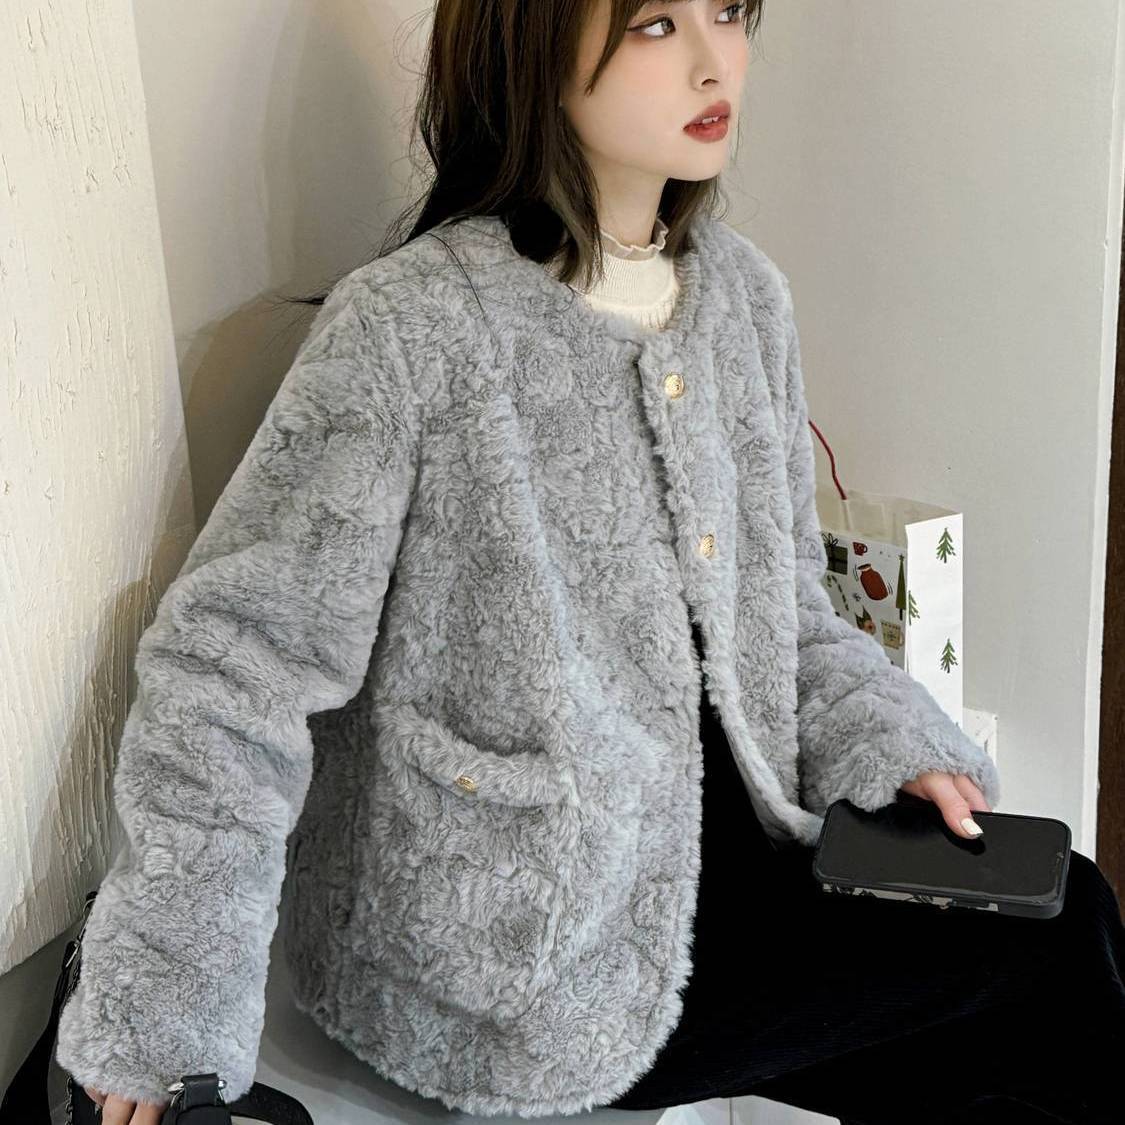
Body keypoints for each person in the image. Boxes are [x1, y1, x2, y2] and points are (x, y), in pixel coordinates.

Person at [57, 2, 1124, 1123]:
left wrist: (891, 745)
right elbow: (235, 670)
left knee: (1062, 918)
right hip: (532, 946)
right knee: (1052, 978)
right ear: (529, 45)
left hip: (734, 862)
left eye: (729, 11)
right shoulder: (412, 328)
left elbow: (788, 619)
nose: (715, 62)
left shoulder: (744, 299)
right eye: (656, 23)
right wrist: (165, 1008)